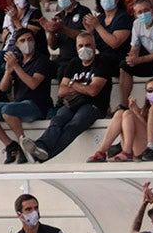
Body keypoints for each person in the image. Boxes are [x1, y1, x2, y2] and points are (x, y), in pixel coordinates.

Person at [20, 32, 109, 163]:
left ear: (95, 45)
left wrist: (72, 84)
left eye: (88, 45)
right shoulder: (74, 63)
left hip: (93, 106)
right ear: (76, 47)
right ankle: (41, 147)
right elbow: (61, 91)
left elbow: (93, 91)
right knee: (57, 121)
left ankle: (43, 155)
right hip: (72, 103)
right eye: (81, 45)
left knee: (73, 125)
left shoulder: (102, 63)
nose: (84, 48)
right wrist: (80, 87)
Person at [0, 27, 51, 164]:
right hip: (18, 104)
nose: (26, 43)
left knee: (8, 110)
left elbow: (33, 84)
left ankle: (23, 147)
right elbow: (4, 88)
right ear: (16, 44)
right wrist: (8, 70)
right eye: (22, 40)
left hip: (36, 105)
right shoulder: (17, 61)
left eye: (29, 39)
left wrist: (16, 67)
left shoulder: (42, 60)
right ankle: (11, 145)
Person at [87, 77, 153, 162]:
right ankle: (101, 152)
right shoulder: (145, 109)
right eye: (150, 91)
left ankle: (127, 152)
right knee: (119, 113)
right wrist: (137, 113)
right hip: (139, 146)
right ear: (146, 94)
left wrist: (136, 114)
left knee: (128, 114)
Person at [81, 0, 132, 77]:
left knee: (99, 63)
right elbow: (98, 45)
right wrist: (90, 31)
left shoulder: (123, 17)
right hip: (103, 57)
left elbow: (114, 43)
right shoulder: (100, 18)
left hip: (120, 59)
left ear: (117, 0)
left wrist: (97, 26)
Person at [41, 0, 92, 74]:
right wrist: (51, 31)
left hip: (78, 59)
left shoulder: (83, 11)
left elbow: (85, 36)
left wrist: (62, 28)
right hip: (62, 59)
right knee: (40, 68)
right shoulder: (58, 16)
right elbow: (53, 46)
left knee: (63, 71)